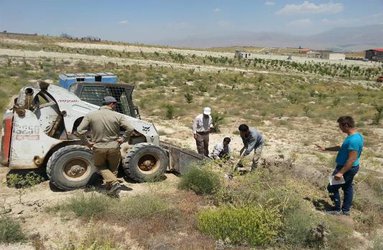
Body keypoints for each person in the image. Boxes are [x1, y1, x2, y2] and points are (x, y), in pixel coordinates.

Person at [76, 96, 134, 197]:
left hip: (98, 147)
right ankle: (114, 185)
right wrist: (123, 139)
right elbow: (130, 128)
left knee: (100, 166)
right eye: (115, 104)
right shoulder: (118, 115)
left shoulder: (90, 115)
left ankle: (111, 189)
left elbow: (79, 130)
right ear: (111, 104)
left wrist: (87, 142)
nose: (115, 106)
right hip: (114, 147)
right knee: (113, 170)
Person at [316, 116, 363, 216]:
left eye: (340, 126)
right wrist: (325, 148)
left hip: (346, 168)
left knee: (331, 187)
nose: (339, 128)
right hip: (351, 167)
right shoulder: (355, 136)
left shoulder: (353, 140)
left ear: (346, 125)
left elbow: (351, 159)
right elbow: (341, 148)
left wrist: (341, 172)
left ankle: (337, 209)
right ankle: (345, 210)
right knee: (347, 187)